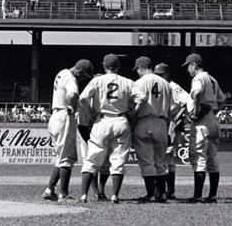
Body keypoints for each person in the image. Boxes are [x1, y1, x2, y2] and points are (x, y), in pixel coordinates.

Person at [78, 54, 146, 204]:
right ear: (118, 66)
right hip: (121, 119)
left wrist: (90, 112)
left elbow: (82, 98)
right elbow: (142, 98)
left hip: (102, 120)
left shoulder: (97, 80)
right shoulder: (127, 81)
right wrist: (133, 111)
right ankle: (114, 195)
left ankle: (83, 195)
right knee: (118, 159)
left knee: (92, 158)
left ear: (104, 66)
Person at [41, 59, 94, 203]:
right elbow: (72, 95)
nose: (83, 79)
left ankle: (49, 190)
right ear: (80, 71)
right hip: (64, 116)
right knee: (67, 158)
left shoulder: (61, 73)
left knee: (61, 157)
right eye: (84, 75)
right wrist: (73, 107)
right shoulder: (71, 78)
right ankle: (63, 194)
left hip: (55, 116)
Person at [182, 53, 226, 204]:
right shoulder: (212, 79)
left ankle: (198, 196)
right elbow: (222, 100)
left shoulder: (198, 78)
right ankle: (212, 196)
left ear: (194, 65)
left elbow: (197, 92)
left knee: (199, 157)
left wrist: (196, 109)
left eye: (189, 66)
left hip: (202, 122)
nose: (188, 69)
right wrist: (213, 111)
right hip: (213, 119)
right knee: (212, 159)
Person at [133, 56, 174, 203]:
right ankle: (162, 194)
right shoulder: (166, 84)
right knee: (161, 161)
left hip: (144, 121)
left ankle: (150, 194)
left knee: (147, 161)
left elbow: (135, 105)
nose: (137, 72)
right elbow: (171, 110)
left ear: (142, 68)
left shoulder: (138, 83)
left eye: (138, 69)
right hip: (162, 122)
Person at [154, 63, 190, 200]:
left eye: (161, 74)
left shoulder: (173, 87)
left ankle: (169, 191)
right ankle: (165, 190)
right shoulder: (159, 85)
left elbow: (188, 101)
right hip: (163, 122)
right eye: (157, 74)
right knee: (164, 157)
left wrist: (179, 116)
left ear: (167, 74)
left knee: (167, 157)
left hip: (171, 124)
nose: (158, 77)